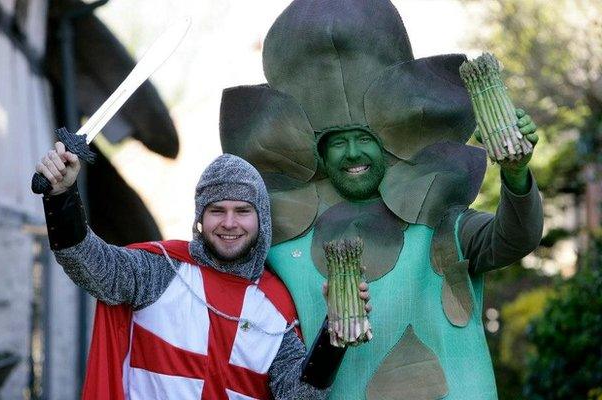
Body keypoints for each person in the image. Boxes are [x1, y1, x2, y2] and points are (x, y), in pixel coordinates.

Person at [216, 0, 544, 398]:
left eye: (364, 140)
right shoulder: (280, 248)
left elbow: (514, 237)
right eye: (338, 143)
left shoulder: (441, 225)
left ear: (388, 146)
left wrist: (516, 172)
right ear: (317, 154)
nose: (353, 153)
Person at [35, 146, 365, 399]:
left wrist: (334, 335)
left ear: (260, 218)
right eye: (217, 210)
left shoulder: (276, 306)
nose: (229, 223)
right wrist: (62, 196)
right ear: (200, 218)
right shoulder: (159, 270)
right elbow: (86, 261)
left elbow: (298, 395)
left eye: (242, 211)